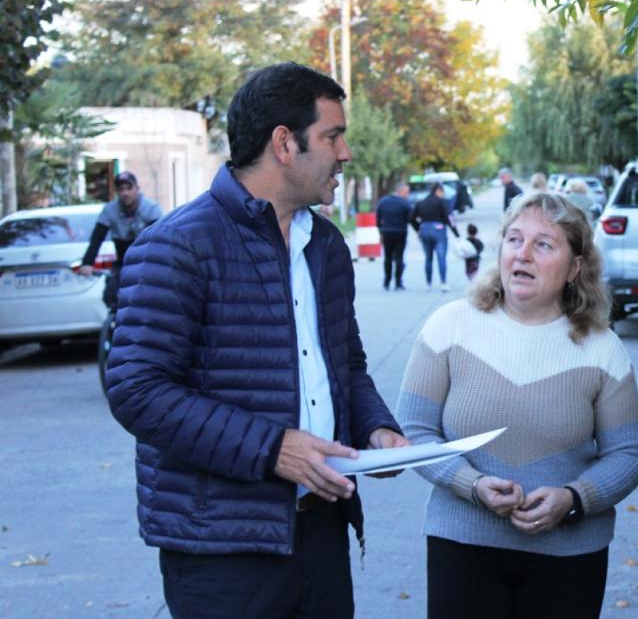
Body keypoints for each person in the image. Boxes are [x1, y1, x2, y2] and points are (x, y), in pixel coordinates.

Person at [105, 62, 410, 619]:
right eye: (333, 136)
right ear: (284, 143)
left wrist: (377, 428)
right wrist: (274, 449)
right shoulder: (177, 245)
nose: (345, 154)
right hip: (223, 549)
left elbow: (347, 364)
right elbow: (136, 390)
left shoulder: (327, 246)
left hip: (321, 530)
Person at [396, 192, 638, 619]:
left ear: (575, 267)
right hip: (461, 546)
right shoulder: (450, 326)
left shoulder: (604, 349)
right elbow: (415, 429)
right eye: (514, 240)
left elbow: (629, 454)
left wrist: (573, 499)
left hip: (570, 557)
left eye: (544, 244)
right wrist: (472, 485)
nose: (523, 254)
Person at [78, 171, 163, 308]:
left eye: (129, 188)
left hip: (146, 258)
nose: (125, 193)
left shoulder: (151, 209)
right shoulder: (109, 210)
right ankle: (114, 321)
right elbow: (97, 237)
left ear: (137, 188)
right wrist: (87, 262)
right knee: (111, 295)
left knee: (152, 295)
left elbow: (160, 239)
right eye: (121, 189)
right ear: (117, 192)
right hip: (122, 259)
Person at [412, 181, 460, 292]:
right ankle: (443, 283)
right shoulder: (441, 202)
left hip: (424, 229)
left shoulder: (421, 202)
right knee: (441, 257)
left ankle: (428, 284)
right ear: (438, 190)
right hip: (438, 230)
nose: (442, 194)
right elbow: (449, 218)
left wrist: (418, 228)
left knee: (428, 258)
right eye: (442, 192)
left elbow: (411, 217)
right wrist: (456, 234)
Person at [376, 182, 413, 290]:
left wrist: (381, 232)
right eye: (407, 192)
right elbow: (410, 218)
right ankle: (398, 282)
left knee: (387, 257)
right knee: (399, 257)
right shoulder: (405, 204)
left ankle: (387, 282)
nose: (408, 195)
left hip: (387, 232)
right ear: (400, 191)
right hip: (401, 233)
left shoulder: (383, 202)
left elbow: (378, 219)